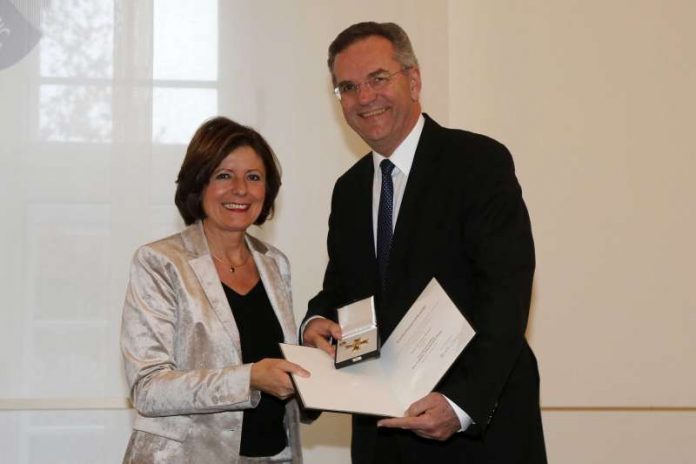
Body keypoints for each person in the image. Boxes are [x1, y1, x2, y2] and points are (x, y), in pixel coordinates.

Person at [301, 22, 547, 463]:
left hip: (474, 434)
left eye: (378, 78)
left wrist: (460, 405)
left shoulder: (478, 163)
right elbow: (345, 290)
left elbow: (506, 294)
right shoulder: (349, 189)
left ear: (414, 80)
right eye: (348, 87)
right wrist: (317, 319)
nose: (365, 97)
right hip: (383, 439)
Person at [121, 117, 308, 464]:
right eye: (224, 175)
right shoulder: (160, 262)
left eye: (254, 177)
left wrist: (322, 371)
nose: (241, 189)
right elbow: (148, 389)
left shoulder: (275, 263)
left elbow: (281, 370)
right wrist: (249, 378)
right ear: (199, 183)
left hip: (275, 456)